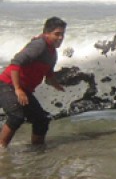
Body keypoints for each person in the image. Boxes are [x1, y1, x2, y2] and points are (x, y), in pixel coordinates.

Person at [0, 17, 67, 148]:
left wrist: (56, 84)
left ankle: (37, 150)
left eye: (62, 34)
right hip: (6, 84)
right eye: (57, 34)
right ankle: (1, 149)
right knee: (16, 116)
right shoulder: (39, 45)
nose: (60, 38)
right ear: (46, 33)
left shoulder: (53, 53)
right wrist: (18, 89)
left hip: (22, 88)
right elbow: (15, 63)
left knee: (41, 120)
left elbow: (48, 74)